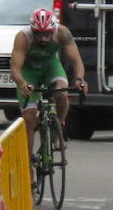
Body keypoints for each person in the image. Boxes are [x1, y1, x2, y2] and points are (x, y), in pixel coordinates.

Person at [10, 8, 88, 149]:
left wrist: (79, 79)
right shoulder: (23, 37)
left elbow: (77, 61)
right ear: (32, 30)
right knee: (29, 120)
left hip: (50, 67)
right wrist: (22, 83)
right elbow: (15, 69)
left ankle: (58, 130)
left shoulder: (63, 33)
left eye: (47, 34)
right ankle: (29, 168)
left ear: (53, 29)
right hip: (28, 71)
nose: (43, 39)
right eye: (38, 34)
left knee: (61, 94)